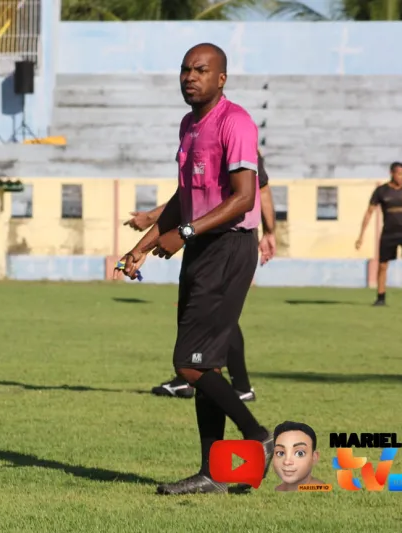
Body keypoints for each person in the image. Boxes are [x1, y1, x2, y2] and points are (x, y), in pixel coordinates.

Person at [118, 43, 273, 495]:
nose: (190, 76)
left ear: (221, 78)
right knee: (207, 366)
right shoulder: (189, 125)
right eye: (185, 69)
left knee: (188, 364)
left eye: (201, 70)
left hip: (228, 247)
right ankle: (212, 472)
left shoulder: (236, 122)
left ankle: (258, 436)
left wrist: (184, 233)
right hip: (201, 247)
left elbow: (244, 198)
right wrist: (142, 246)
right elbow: (183, 197)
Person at [126, 152, 277, 402]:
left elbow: (246, 192)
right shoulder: (199, 138)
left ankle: (232, 391)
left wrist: (270, 232)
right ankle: (213, 383)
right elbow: (191, 194)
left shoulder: (233, 141)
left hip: (222, 240)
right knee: (212, 313)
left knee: (215, 314)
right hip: (204, 238)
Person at [355, 162, 402, 308]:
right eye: (399, 174)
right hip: (389, 233)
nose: (401, 177)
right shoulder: (381, 191)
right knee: (383, 265)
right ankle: (381, 297)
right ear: (392, 173)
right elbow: (369, 212)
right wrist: (361, 235)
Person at [272, 421, 324, 492]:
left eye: (300, 453)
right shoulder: (277, 490)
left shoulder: (321, 490)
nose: (287, 462)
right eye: (280, 453)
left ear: (314, 457)